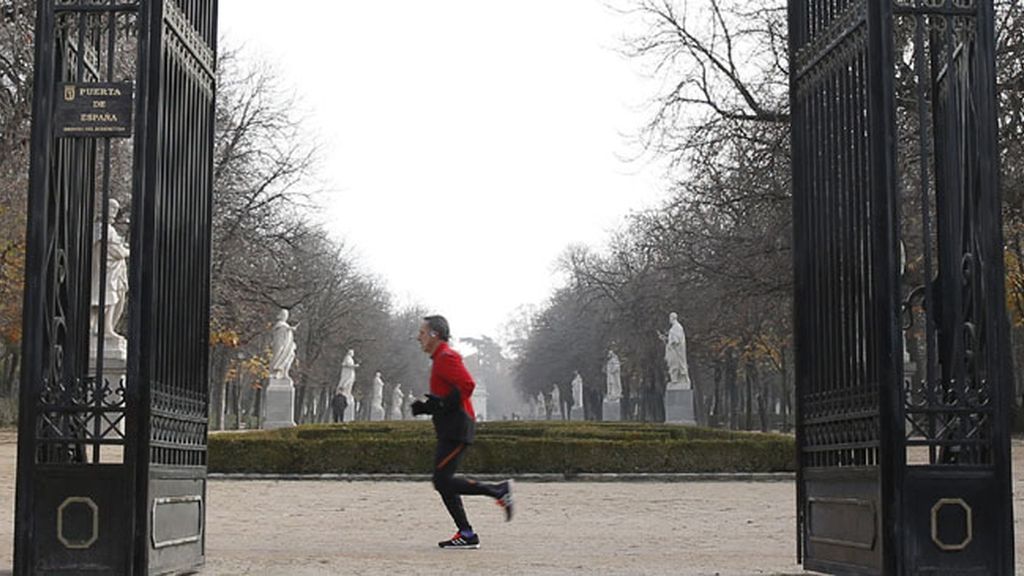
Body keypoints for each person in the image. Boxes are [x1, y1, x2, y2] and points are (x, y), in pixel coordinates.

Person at [412, 315, 514, 549]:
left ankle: (498, 491)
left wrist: (438, 405)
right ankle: (466, 533)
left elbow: (467, 385)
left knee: (441, 480)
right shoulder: (439, 359)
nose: (419, 337)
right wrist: (428, 406)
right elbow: (448, 395)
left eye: (423, 332)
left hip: (457, 427)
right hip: (450, 427)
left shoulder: (446, 357)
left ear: (435, 334)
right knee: (443, 481)